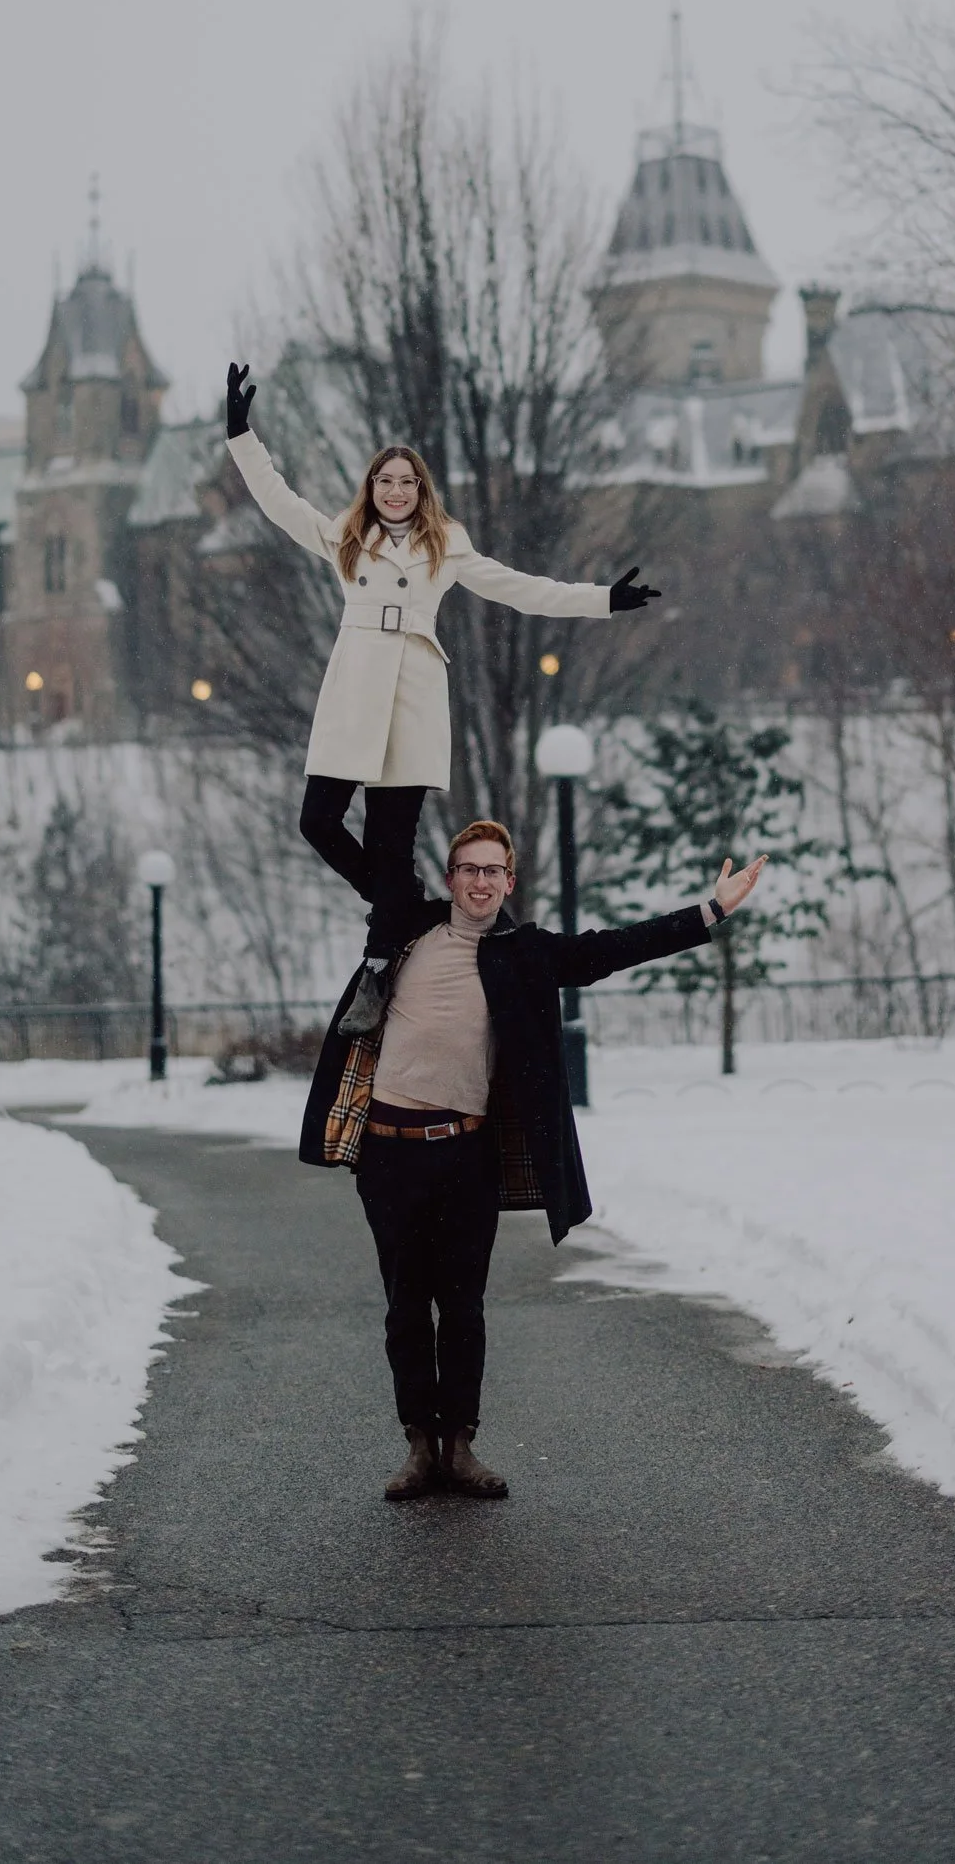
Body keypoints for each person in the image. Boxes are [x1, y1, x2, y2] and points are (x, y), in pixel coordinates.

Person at [299, 815, 768, 1500]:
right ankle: (417, 1449)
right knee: (406, 1305)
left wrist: (711, 910)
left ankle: (458, 1447)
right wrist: (373, 790)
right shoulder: (406, 928)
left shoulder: (525, 952)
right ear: (451, 878)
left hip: (465, 1153)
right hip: (389, 1155)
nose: (480, 880)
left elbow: (612, 949)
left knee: (462, 1305)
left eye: (493, 870)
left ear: (507, 882)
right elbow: (347, 845)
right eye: (468, 868)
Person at [224, 360, 658, 1032]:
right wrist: (241, 436)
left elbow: (520, 587)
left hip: (415, 693)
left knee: (393, 845)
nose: (395, 490)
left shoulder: (446, 548)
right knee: (318, 821)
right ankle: (402, 906)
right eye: (385, 480)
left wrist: (602, 600)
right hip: (352, 689)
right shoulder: (344, 538)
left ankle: (379, 963)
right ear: (371, 487)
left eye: (406, 481)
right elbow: (278, 502)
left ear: (420, 490)